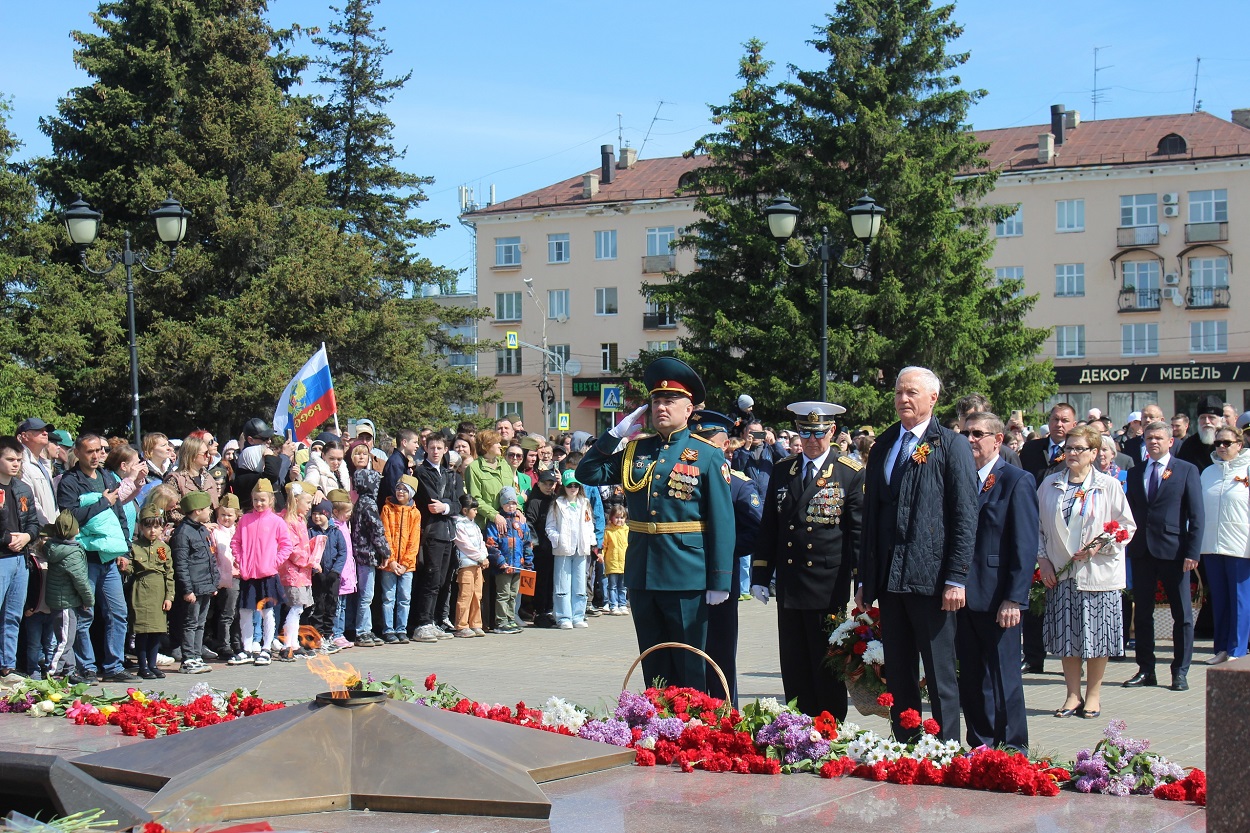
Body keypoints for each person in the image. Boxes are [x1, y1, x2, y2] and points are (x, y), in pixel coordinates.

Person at [576, 357, 735, 691]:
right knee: (654, 666)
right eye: (656, 401)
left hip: (686, 573)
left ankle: (695, 733)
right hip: (643, 571)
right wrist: (614, 434)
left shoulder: (706, 454)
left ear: (688, 409)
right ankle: (659, 731)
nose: (661, 407)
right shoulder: (636, 449)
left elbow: (722, 520)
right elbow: (586, 473)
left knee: (690, 665)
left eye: (670, 401)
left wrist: (720, 579)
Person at [857, 367, 976, 743]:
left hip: (932, 580)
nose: (903, 399)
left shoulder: (951, 445)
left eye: (911, 392)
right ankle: (906, 743)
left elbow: (964, 515)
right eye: (898, 393)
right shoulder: (886, 444)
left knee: (940, 674)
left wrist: (957, 577)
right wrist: (865, 577)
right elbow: (871, 517)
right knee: (899, 671)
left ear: (933, 398)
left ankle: (946, 748)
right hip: (890, 581)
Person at [750, 402, 862, 719]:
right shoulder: (785, 469)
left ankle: (829, 728)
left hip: (828, 585)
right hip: (790, 583)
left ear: (833, 432)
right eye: (805, 433)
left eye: (819, 433)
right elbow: (769, 527)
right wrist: (759, 575)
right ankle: (800, 727)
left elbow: (858, 533)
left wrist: (862, 580)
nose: (812, 440)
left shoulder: (848, 472)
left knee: (826, 662)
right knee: (795, 662)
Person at [1038, 423, 1136, 720]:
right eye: (1068, 448)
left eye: (1079, 449)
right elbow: (1037, 528)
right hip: (1061, 572)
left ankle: (1093, 695)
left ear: (1094, 453)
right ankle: (1071, 694)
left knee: (1097, 637)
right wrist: (1043, 561)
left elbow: (1125, 526)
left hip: (1097, 575)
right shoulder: (1050, 484)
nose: (1072, 453)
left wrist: (1099, 545)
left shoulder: (1108, 486)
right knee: (1068, 636)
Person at [955, 412, 1038, 751]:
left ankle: (1014, 747)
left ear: (998, 440)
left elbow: (1025, 544)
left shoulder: (1016, 480)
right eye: (965, 433)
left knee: (1005, 677)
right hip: (962, 596)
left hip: (999, 597)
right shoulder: (959, 478)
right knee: (972, 677)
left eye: (977, 434)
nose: (970, 439)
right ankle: (980, 743)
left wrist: (1014, 598)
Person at [688, 408, 762, 705]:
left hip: (720, 580)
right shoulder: (685, 480)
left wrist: (722, 549)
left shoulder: (739, 485)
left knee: (719, 652)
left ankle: (722, 713)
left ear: (724, 446)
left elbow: (757, 530)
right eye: (697, 441)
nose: (700, 448)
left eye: (708, 441)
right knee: (687, 652)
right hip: (685, 576)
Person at [1123, 421, 1203, 692]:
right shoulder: (1135, 473)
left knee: (1182, 614)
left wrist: (1192, 552)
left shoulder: (1186, 470)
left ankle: (1180, 671)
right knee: (1143, 613)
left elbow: (1196, 515)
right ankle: (1146, 669)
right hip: (1142, 550)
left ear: (1170, 441)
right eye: (1148, 438)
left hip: (1174, 551)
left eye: (1159, 438)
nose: (1153, 442)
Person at [56, 434, 133, 683]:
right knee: (84, 614)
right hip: (84, 558)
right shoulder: (69, 482)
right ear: (77, 453)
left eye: (99, 451)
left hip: (109, 558)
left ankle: (114, 666)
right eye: (89, 451)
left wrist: (124, 549)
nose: (95, 456)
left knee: (118, 613)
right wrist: (102, 502)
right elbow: (69, 518)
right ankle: (86, 666)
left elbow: (119, 512)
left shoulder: (107, 476)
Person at [1200, 426, 1250, 665]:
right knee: (1219, 599)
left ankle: (1237, 649)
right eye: (1218, 443)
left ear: (1239, 445)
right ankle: (1221, 648)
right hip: (1212, 545)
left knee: (1240, 600)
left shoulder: (1248, 468)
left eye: (1227, 443)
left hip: (1241, 546)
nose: (1221, 447)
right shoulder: (1208, 473)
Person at [231, 480, 294, 666]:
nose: (259, 504)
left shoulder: (277, 522)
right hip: (248, 575)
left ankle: (266, 647)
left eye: (263, 500)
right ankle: (247, 648)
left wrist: (274, 562)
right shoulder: (244, 520)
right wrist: (241, 560)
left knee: (267, 612)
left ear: (271, 500)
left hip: (267, 575)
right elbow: (236, 542)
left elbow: (286, 545)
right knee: (245, 611)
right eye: (256, 500)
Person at [411, 434, 461, 642]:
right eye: (432, 448)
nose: (436, 451)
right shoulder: (422, 472)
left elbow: (458, 503)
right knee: (431, 578)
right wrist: (445, 505)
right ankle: (422, 623)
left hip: (448, 531)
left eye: (439, 448)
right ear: (426, 448)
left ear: (445, 449)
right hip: (432, 531)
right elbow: (432, 501)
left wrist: (447, 507)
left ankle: (433, 620)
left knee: (442, 580)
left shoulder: (449, 473)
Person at [0, 437, 39, 676]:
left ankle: (7, 665)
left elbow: (33, 523)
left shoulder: (22, 488)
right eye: (10, 459)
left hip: (20, 559)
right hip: (1, 557)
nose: (15, 464)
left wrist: (27, 537)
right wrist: (7, 540)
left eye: (18, 460)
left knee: (13, 615)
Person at [171, 491, 219, 674]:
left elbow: (210, 558)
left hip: (205, 585)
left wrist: (213, 583)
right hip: (193, 587)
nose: (210, 512)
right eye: (207, 509)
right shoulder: (183, 533)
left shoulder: (201, 529)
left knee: (200, 622)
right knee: (190, 623)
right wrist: (187, 589)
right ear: (197, 511)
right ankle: (188, 658)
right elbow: (181, 564)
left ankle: (196, 655)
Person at [42, 510, 94, 676]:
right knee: (65, 640)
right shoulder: (71, 554)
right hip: (66, 603)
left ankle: (69, 671)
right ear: (75, 531)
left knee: (66, 638)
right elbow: (80, 580)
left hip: (61, 601)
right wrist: (88, 600)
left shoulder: (54, 547)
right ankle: (53, 673)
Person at [545, 474, 593, 630]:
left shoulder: (585, 503)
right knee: (562, 584)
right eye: (569, 485)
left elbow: (589, 524)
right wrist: (557, 539)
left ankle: (578, 615)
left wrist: (591, 540)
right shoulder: (557, 504)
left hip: (581, 547)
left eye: (576, 485)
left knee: (580, 584)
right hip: (563, 548)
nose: (573, 488)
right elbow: (550, 526)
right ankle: (563, 617)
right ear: (563, 487)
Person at [349, 469, 389, 647]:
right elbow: (377, 530)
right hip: (367, 556)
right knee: (366, 595)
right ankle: (362, 631)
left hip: (360, 554)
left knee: (366, 595)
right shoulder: (369, 504)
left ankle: (366, 628)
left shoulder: (359, 503)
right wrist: (385, 551)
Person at [379, 475, 421, 644]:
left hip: (406, 565)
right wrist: (391, 560)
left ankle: (401, 628)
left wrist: (405, 563)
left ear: (411, 493)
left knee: (404, 597)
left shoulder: (415, 513)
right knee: (388, 597)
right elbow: (385, 535)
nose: (400, 492)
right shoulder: (387, 509)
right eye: (398, 488)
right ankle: (388, 629)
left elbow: (414, 540)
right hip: (390, 563)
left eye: (404, 489)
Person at [277, 484, 316, 660]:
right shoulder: (289, 521)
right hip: (293, 572)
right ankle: (288, 644)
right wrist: (309, 561)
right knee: (295, 608)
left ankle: (293, 643)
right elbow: (292, 550)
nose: (309, 506)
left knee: (298, 608)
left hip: (301, 572)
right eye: (307, 502)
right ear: (296, 500)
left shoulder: (299, 520)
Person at [487, 487, 532, 633]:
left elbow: (527, 543)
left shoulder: (521, 522)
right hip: (503, 566)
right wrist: (500, 561)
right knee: (503, 593)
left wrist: (528, 562)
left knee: (514, 593)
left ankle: (511, 618)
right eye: (507, 503)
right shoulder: (497, 521)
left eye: (513, 503)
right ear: (502, 504)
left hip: (518, 565)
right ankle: (501, 621)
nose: (511, 506)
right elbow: (491, 544)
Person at [524, 469, 560, 627]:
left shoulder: (554, 499)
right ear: (538, 484)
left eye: (551, 484)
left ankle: (548, 609)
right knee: (540, 581)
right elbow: (529, 523)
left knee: (551, 580)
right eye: (546, 483)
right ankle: (538, 611)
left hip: (553, 547)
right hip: (539, 549)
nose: (549, 487)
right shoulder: (534, 501)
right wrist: (535, 543)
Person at [208, 494, 241, 661]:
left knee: (239, 613)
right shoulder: (215, 532)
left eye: (230, 515)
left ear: (236, 515)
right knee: (226, 613)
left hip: (242, 575)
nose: (226, 518)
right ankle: (224, 644)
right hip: (226, 578)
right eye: (223, 515)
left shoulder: (239, 530)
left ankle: (237, 642)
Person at [452, 496, 489, 637]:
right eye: (474, 509)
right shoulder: (459, 525)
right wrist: (480, 557)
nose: (476, 512)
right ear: (465, 510)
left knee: (477, 595)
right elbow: (464, 545)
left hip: (478, 565)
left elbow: (481, 542)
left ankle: (476, 623)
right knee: (465, 595)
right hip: (466, 565)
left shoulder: (475, 525)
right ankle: (461, 625)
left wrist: (484, 557)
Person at [326, 489, 357, 650]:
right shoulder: (334, 528)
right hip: (339, 573)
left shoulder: (343, 525)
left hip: (347, 573)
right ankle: (335, 633)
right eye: (347, 512)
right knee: (336, 606)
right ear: (335, 512)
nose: (350, 514)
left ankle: (340, 632)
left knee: (342, 606)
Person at [16, 419, 58, 525]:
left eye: (46, 430)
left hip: (50, 530)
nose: (45, 433)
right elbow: (30, 501)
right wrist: (46, 527)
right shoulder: (21, 463)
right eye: (39, 430)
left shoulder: (44, 464)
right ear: (24, 436)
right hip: (38, 532)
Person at [166, 436, 221, 509]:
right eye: (205, 453)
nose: (208, 455)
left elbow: (216, 507)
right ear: (192, 455)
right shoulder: (175, 480)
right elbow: (171, 510)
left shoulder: (209, 478)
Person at [1176, 395, 1223, 474]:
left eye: (1211, 417)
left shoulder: (1229, 443)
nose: (1207, 421)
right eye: (1203, 417)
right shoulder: (1189, 445)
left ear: (1221, 420)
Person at [379, 429, 418, 506]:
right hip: (394, 512)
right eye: (415, 442)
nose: (417, 446)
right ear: (404, 443)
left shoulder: (401, 461)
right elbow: (396, 493)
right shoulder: (396, 463)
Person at [603, 504, 629, 615]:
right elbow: (604, 546)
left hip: (624, 563)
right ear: (611, 518)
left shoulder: (627, 530)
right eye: (617, 517)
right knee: (612, 586)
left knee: (623, 586)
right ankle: (613, 605)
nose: (619, 520)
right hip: (612, 562)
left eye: (622, 517)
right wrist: (601, 555)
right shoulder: (608, 531)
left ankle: (623, 604)